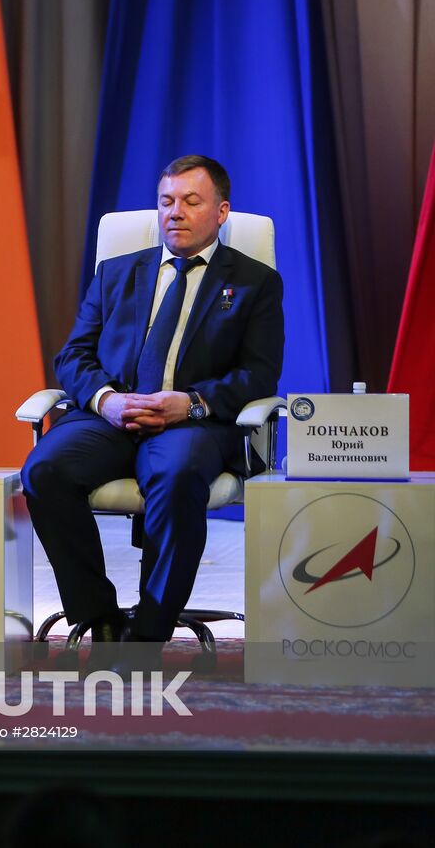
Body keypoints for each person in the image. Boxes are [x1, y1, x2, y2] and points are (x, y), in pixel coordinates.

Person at [21, 155, 283, 666]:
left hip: (191, 422)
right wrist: (108, 400)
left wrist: (193, 402)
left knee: (177, 474)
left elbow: (259, 373)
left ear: (221, 210)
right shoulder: (118, 272)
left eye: (191, 201)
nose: (175, 213)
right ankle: (100, 617)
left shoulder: (254, 283)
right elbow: (73, 355)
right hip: (111, 418)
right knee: (45, 470)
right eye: (166, 201)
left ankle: (148, 632)